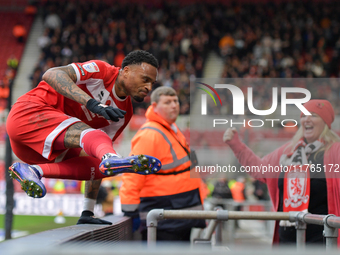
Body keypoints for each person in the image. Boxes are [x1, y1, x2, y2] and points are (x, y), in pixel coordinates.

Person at [7, 50, 162, 225]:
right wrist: (91, 103)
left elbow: (98, 148)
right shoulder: (102, 70)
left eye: (152, 83)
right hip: (28, 115)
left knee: (100, 164)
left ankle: (35, 171)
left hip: (34, 153)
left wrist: (88, 211)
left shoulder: (124, 114)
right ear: (125, 71)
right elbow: (51, 73)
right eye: (145, 79)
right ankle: (113, 158)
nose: (149, 88)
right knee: (98, 140)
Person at [223, 99, 340, 246]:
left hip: (320, 242)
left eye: (314, 115)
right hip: (286, 241)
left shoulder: (335, 151)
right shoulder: (288, 151)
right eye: (303, 115)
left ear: (325, 122)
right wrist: (237, 145)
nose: (307, 119)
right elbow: (260, 169)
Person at [120, 86, 206, 241]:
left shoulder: (172, 129)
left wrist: (202, 195)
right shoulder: (149, 134)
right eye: (167, 102)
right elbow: (132, 175)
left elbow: (189, 167)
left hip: (179, 214)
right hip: (165, 219)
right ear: (154, 107)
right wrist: (130, 211)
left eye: (175, 101)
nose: (174, 105)